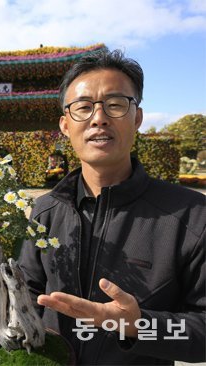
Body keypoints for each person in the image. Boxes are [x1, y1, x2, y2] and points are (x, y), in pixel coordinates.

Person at [18, 49, 205, 365]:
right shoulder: (45, 211)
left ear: (138, 119)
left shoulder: (192, 217)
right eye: (83, 107)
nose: (99, 118)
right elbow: (25, 294)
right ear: (65, 125)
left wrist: (137, 326)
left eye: (115, 105)